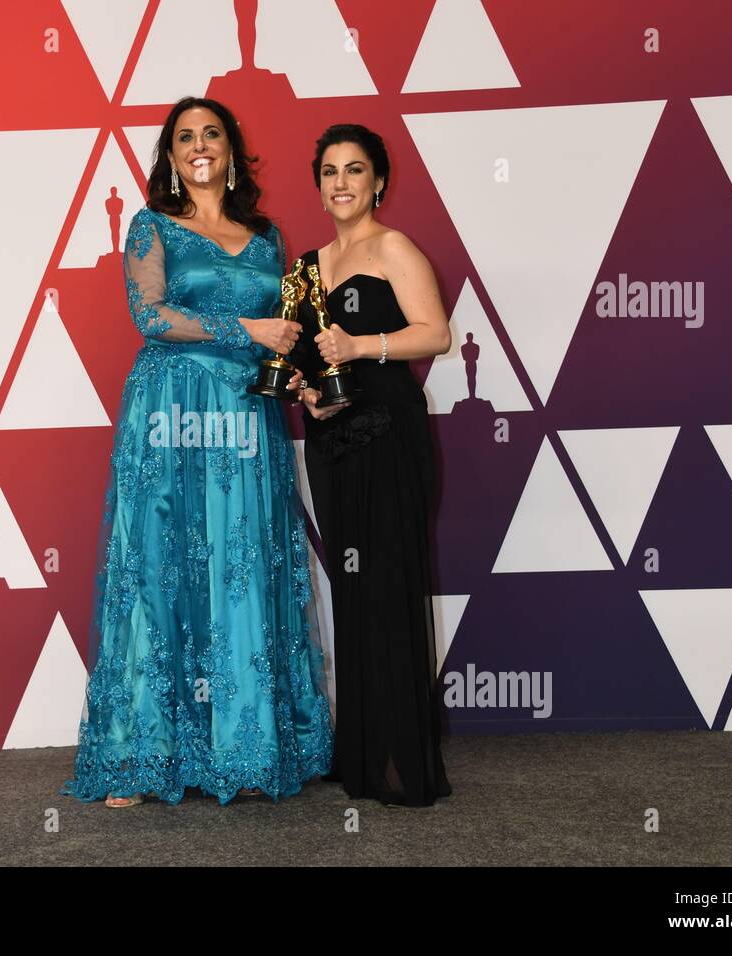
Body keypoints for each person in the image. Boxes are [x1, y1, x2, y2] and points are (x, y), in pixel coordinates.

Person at [61, 97, 333, 808]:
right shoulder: (152, 227)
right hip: (171, 412)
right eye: (185, 137)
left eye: (212, 133)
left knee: (241, 563)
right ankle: (139, 753)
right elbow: (149, 315)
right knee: (158, 566)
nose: (200, 145)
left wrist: (294, 373)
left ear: (232, 150)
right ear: (171, 157)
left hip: (245, 415)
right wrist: (247, 326)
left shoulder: (266, 237)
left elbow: (281, 332)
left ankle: (244, 745)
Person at [289, 124, 454, 807]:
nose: (341, 183)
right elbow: (300, 357)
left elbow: (436, 334)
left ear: (378, 180)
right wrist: (304, 393)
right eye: (329, 171)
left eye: (355, 170)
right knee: (354, 594)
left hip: (388, 434)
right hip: (332, 442)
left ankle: (400, 762)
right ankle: (358, 754)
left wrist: (360, 344)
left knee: (387, 586)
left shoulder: (394, 248)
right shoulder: (305, 266)